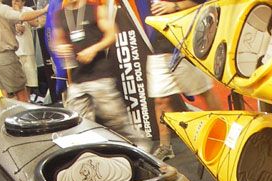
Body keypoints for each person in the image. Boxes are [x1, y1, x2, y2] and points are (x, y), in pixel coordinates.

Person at [51, 0, 142, 142]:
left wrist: (94, 49)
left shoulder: (95, 9)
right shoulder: (60, 15)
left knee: (117, 123)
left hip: (100, 77)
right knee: (78, 126)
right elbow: (56, 40)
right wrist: (60, 47)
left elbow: (112, 34)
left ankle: (139, 146)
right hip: (77, 80)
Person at [147, 0, 222, 161]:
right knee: (161, 100)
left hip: (184, 43)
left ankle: (223, 134)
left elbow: (205, 2)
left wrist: (175, 6)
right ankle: (165, 147)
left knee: (204, 92)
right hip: (160, 46)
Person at [0, 0, 49, 101]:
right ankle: (25, 109)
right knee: (20, 91)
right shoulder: (1, 9)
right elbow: (22, 16)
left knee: (3, 93)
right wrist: (44, 10)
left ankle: (8, 110)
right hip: (4, 56)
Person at [13, 0, 43, 99]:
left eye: (18, 1)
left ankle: (28, 100)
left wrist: (25, 17)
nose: (15, 3)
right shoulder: (7, 12)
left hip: (28, 51)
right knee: (18, 83)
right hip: (15, 53)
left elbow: (37, 23)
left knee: (30, 80)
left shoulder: (28, 10)